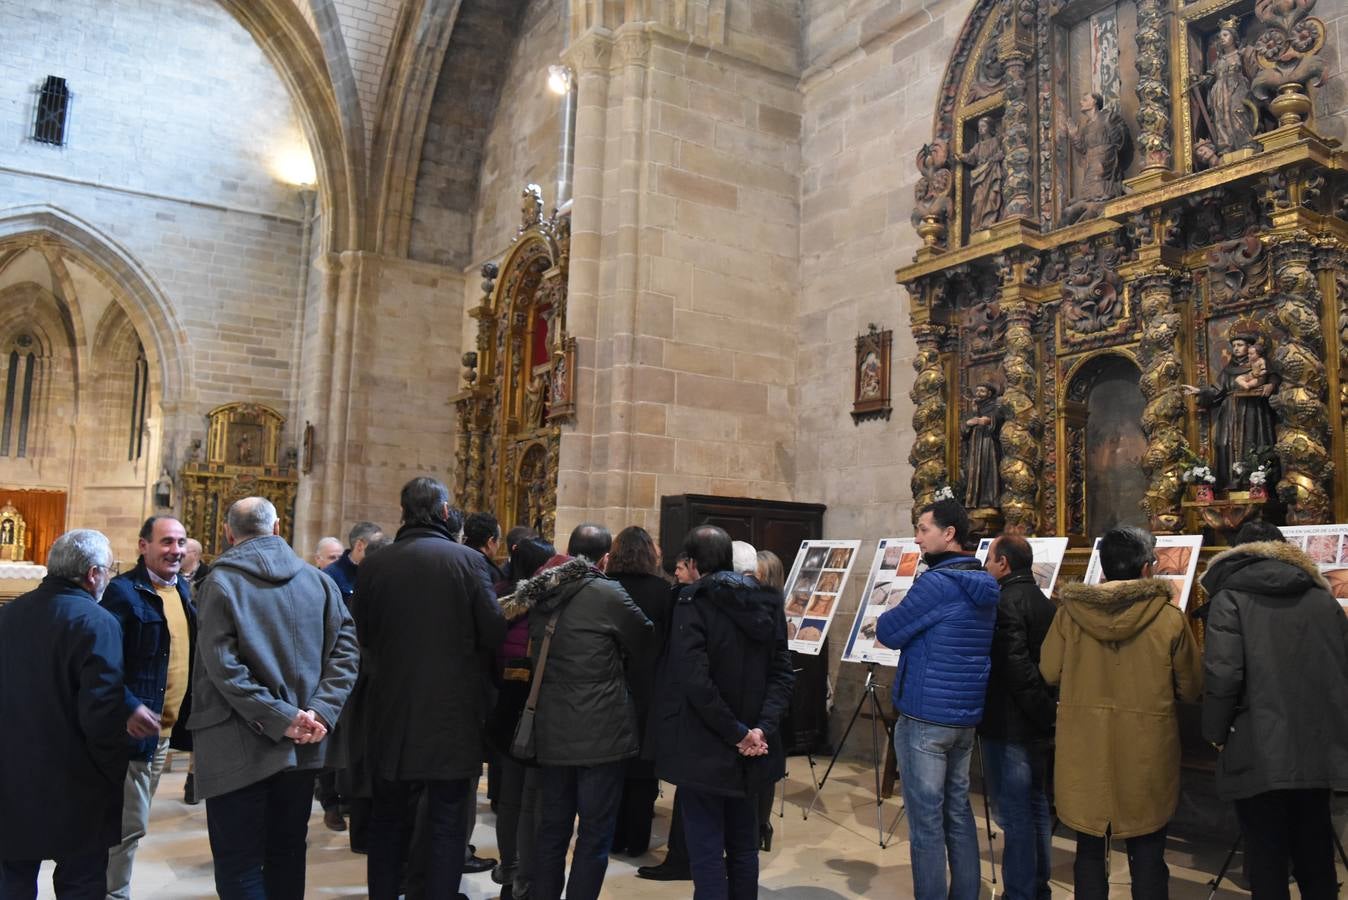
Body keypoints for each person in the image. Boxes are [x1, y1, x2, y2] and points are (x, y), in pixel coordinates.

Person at [190, 497, 359, 899]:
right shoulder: (318, 580)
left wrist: (283, 716)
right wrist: (319, 710)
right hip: (303, 743)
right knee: (286, 852)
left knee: (239, 862)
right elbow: (347, 651)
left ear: (229, 534)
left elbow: (223, 667)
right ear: (278, 527)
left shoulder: (220, 582)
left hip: (238, 743)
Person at [354, 478, 506, 900]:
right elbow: (493, 631)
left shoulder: (375, 565)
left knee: (386, 820)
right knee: (445, 822)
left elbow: (362, 633)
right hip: (450, 717)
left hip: (390, 712)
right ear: (443, 512)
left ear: (403, 512)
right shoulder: (466, 562)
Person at [1041, 526, 1203, 900]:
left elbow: (1049, 671)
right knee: (1147, 851)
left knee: (1089, 850)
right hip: (1146, 749)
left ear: (1104, 567)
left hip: (1085, 747)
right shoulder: (1168, 618)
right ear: (1147, 568)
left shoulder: (1070, 614)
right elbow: (1192, 687)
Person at [1200, 520, 1348, 899]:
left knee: (1266, 856)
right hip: (1318, 743)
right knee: (1316, 852)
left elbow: (1223, 674)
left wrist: (1215, 733)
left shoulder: (1229, 597)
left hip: (1257, 744)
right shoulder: (1322, 597)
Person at [653, 526, 794, 899]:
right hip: (754, 747)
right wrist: (760, 729)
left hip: (707, 744)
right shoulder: (768, 601)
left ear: (694, 564)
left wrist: (738, 733)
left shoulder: (692, 602)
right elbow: (783, 674)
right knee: (744, 844)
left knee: (707, 850)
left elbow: (694, 681)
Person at [518, 524, 653, 900]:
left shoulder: (543, 587)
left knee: (552, 829)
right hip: (602, 731)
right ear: (605, 558)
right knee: (594, 834)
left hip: (553, 726)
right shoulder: (607, 592)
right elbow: (645, 639)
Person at [875, 498, 998, 900]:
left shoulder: (938, 583)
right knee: (957, 811)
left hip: (927, 715)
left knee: (927, 819)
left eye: (923, 529)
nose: (916, 537)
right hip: (963, 714)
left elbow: (890, 631)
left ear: (949, 534)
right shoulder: (983, 583)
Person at [0, 530, 129, 899]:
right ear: (93, 573)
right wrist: (115, 768)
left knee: (13, 881)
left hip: (12, 776)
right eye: (108, 570)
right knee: (81, 884)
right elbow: (101, 713)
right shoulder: (98, 622)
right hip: (78, 781)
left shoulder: (8, 615)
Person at [100, 515, 196, 900]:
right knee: (128, 825)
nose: (176, 550)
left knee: (130, 823)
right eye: (166, 542)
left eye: (181, 542)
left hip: (164, 731)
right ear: (143, 546)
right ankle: (112, 894)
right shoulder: (123, 593)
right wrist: (128, 706)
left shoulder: (184, 590)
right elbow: (102, 662)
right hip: (133, 731)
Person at [978, 534, 1057, 900]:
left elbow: (1017, 669)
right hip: (1035, 721)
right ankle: (1038, 886)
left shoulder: (1006, 603)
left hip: (1011, 724)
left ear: (1004, 564)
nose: (986, 566)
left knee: (1015, 814)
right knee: (1037, 805)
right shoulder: (1044, 601)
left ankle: (1021, 892)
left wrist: (1038, 711)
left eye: (989, 559)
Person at [489, 537, 558, 900]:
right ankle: (525, 877)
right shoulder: (546, 600)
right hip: (534, 702)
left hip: (503, 699)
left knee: (510, 795)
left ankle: (509, 866)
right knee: (532, 797)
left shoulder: (497, 593)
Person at [606, 526, 674, 858]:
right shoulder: (664, 592)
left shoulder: (604, 588)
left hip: (609, 685)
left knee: (610, 769)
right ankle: (636, 839)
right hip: (649, 689)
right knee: (643, 771)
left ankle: (612, 836)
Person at [636, 551, 702, 884]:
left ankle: (684, 859)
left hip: (693, 706)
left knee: (693, 789)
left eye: (680, 567)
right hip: (697, 706)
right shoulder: (683, 598)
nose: (674, 573)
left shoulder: (694, 603)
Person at [1183, 325, 1279, 492]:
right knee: (1225, 443)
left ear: (1249, 347)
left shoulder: (1259, 363)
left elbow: (1273, 377)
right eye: (1234, 346)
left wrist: (1271, 384)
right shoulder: (1228, 369)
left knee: (1252, 443)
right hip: (1230, 412)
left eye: (1240, 345)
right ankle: (1231, 482)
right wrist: (1200, 391)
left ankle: (1255, 483)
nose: (1236, 349)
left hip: (1252, 411)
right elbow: (1218, 389)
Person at [1061, 92, 1129, 223]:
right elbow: (1083, 148)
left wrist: (1107, 153)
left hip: (1104, 160)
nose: (1081, 102)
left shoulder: (1107, 118)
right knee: (1086, 194)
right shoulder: (1086, 127)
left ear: (1094, 102)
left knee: (1099, 187)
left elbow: (1120, 138)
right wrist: (1074, 135)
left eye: (1085, 99)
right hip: (1091, 162)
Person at [954, 116, 1003, 230]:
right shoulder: (978, 146)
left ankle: (989, 222)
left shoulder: (997, 140)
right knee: (978, 200)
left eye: (983, 126)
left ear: (990, 127)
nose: (980, 129)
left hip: (992, 172)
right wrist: (960, 156)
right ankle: (977, 225)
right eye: (979, 127)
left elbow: (1003, 152)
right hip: (980, 174)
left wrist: (997, 157)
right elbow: (971, 157)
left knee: (991, 198)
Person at [961, 383, 1004, 509]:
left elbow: (997, 418)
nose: (978, 393)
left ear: (989, 393)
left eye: (982, 391)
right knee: (973, 470)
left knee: (987, 468)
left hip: (988, 443)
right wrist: (969, 423)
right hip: (974, 444)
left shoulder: (994, 406)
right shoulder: (974, 409)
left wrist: (987, 420)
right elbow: (964, 428)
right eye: (977, 390)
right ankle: (973, 501)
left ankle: (989, 500)